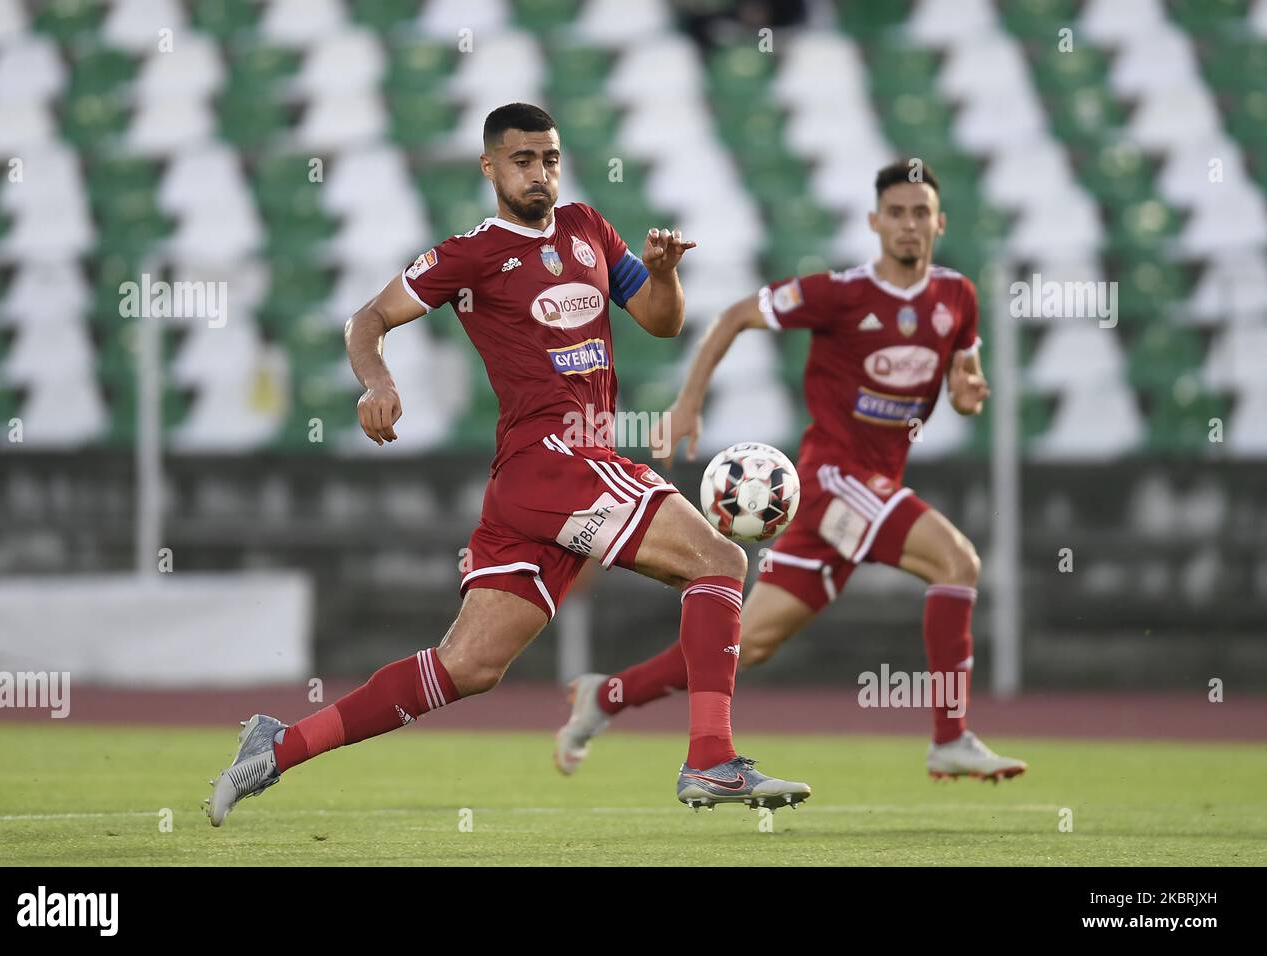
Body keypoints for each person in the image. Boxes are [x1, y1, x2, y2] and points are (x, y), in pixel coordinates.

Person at [204, 103, 810, 826]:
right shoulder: (470, 253)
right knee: (719, 560)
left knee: (469, 668)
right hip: (553, 456)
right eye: (523, 160)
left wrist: (663, 275)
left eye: (550, 158)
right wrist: (378, 382)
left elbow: (659, 318)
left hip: (543, 480)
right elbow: (366, 319)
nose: (540, 173)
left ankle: (278, 747)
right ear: (490, 167)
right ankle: (711, 758)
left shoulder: (588, 227)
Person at [555, 160, 1027, 783]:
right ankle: (950, 737)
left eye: (921, 214)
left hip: (866, 491)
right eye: (897, 213)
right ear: (875, 223)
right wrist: (688, 403)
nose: (909, 225)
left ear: (940, 222)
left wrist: (967, 391)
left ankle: (604, 698)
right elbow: (735, 317)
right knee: (957, 562)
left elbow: (964, 377)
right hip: (833, 478)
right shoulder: (839, 294)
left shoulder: (957, 298)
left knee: (746, 644)